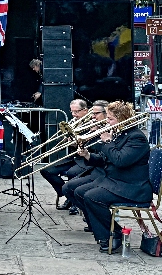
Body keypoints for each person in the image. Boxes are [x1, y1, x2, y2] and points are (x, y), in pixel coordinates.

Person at [73, 101, 152, 253]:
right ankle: (113, 231)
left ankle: (111, 237)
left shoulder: (137, 138)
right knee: (78, 192)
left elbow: (120, 160)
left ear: (121, 118)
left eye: (110, 118)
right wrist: (88, 155)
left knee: (91, 197)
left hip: (132, 186)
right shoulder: (120, 133)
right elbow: (105, 158)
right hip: (116, 181)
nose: (106, 122)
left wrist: (108, 141)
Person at [62, 100, 108, 231]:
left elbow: (106, 153)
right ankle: (92, 220)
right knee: (68, 187)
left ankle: (100, 224)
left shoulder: (112, 129)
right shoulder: (97, 125)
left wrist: (99, 136)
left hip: (103, 170)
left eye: (95, 114)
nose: (93, 117)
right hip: (93, 164)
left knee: (78, 188)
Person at [40, 99, 88, 212]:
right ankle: (68, 195)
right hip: (73, 157)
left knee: (73, 173)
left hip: (85, 160)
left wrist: (78, 142)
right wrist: (68, 140)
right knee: (46, 170)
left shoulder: (91, 123)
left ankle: (75, 202)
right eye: (72, 112)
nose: (74, 114)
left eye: (77, 111)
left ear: (85, 110)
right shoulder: (73, 122)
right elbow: (70, 142)